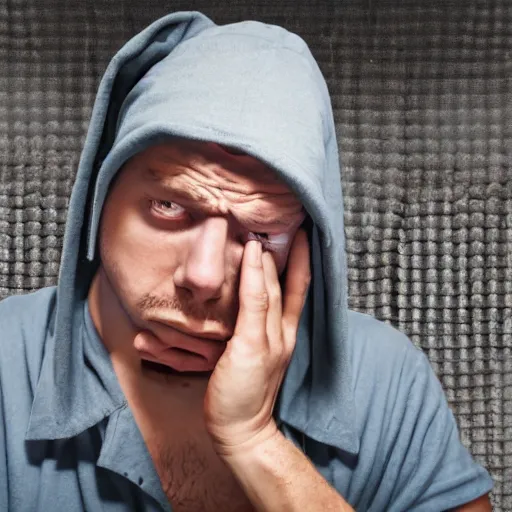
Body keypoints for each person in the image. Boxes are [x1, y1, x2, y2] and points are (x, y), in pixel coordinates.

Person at [0, 10, 493, 512]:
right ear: (99, 196)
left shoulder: (386, 379)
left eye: (261, 231)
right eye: (168, 206)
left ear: (304, 243)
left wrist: (254, 441)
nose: (205, 276)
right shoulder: (4, 361)